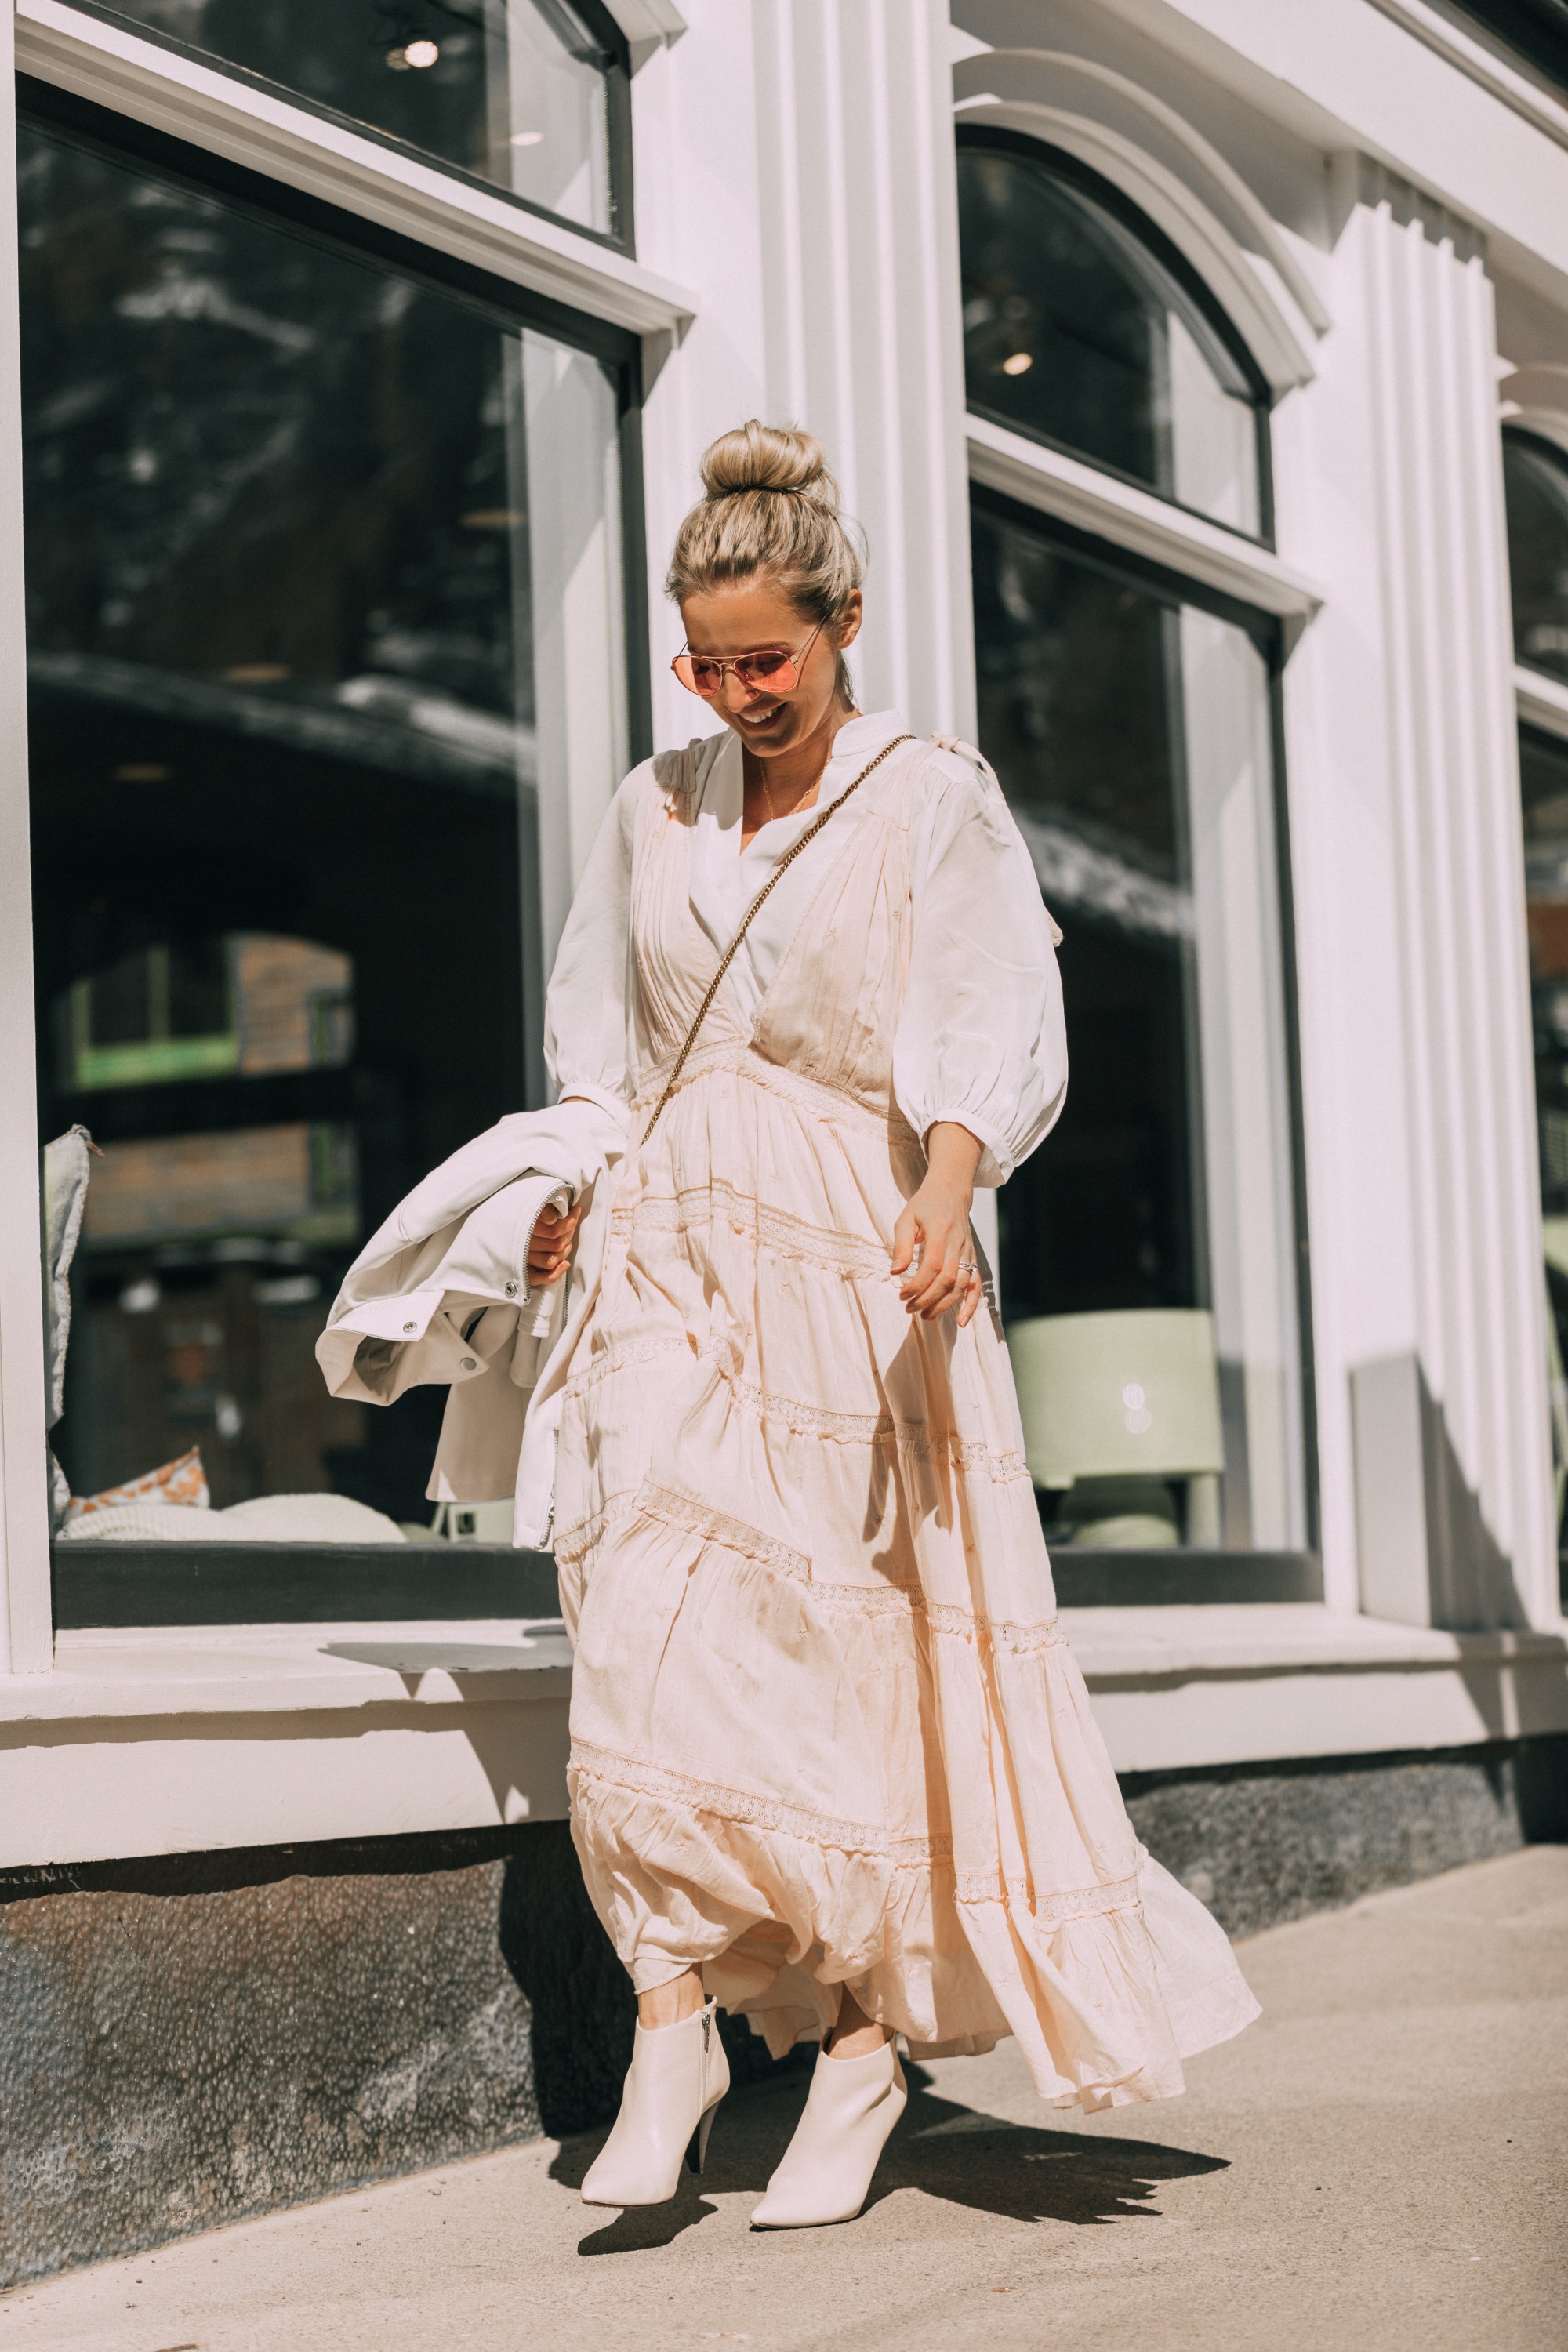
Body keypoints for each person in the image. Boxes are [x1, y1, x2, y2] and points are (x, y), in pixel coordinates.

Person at [528, 420, 1258, 2230]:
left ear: (843, 620)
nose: (734, 690)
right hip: (670, 1250)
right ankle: (673, 2011)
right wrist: (557, 1194)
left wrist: (945, 1200)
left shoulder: (928, 793)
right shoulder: (650, 802)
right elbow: (595, 1046)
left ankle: (860, 2051)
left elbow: (985, 1012)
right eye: (705, 661)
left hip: (853, 1250)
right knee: (642, 1618)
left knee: (855, 1649)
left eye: (763, 656)